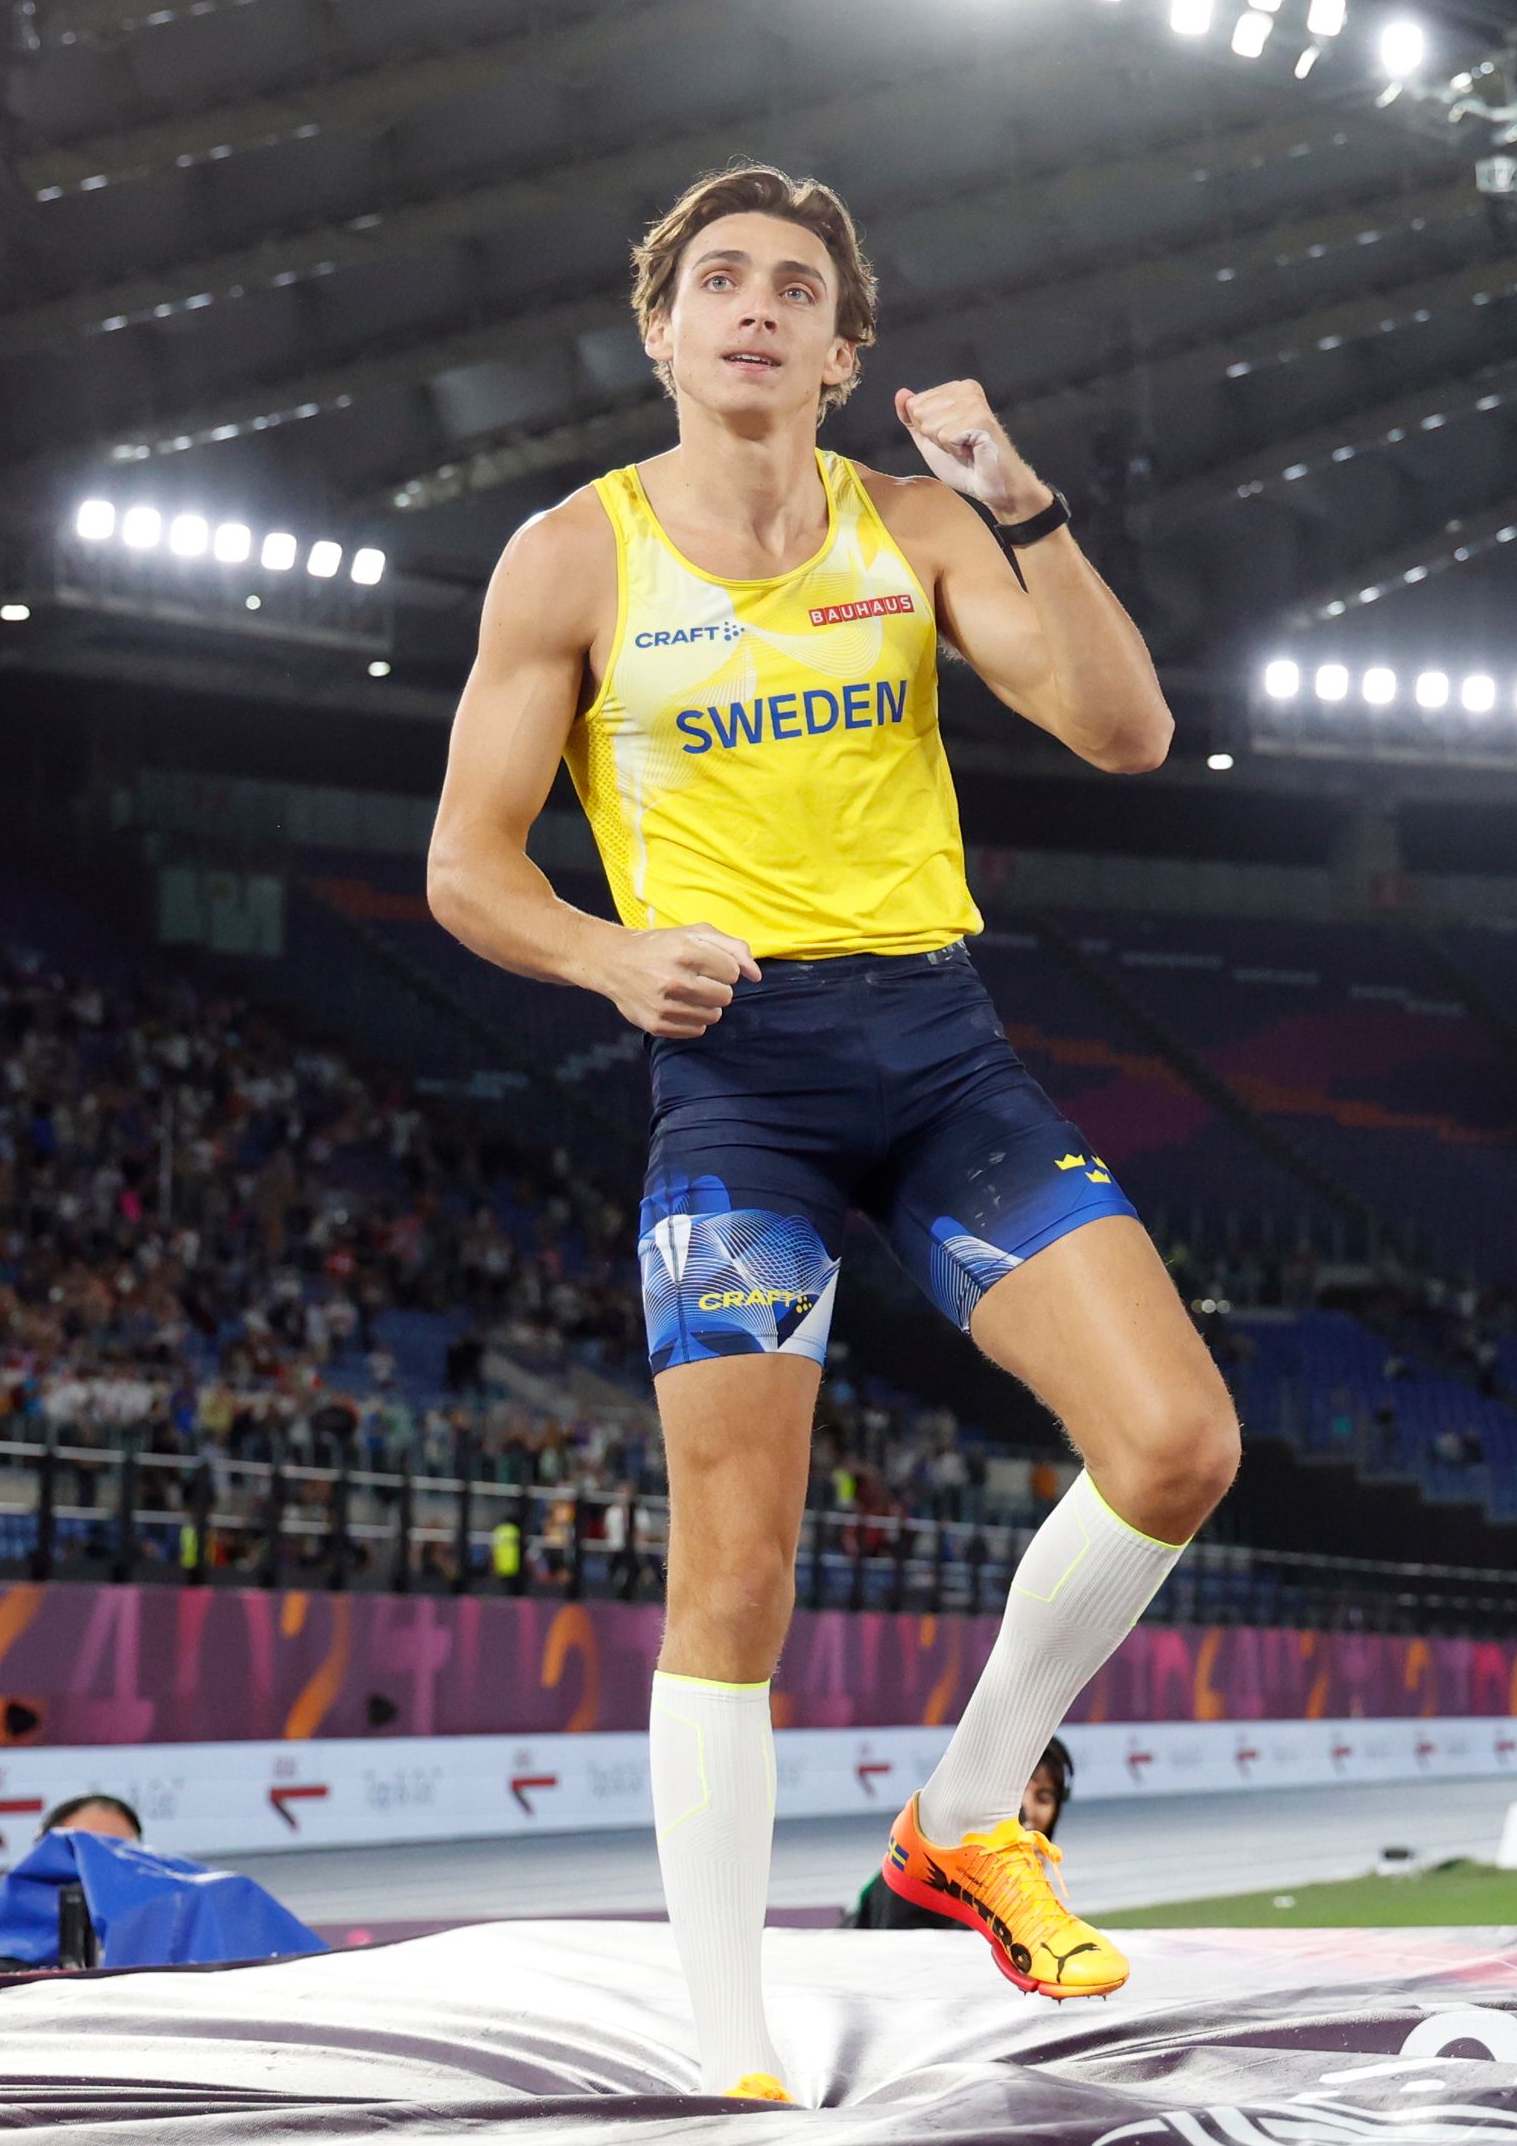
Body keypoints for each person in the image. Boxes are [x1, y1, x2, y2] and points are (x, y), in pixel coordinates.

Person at [431, 163, 1237, 2102]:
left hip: (940, 1055)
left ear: (846, 345)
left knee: (1177, 1437)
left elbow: (1129, 733)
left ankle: (965, 1810)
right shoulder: (572, 556)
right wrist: (610, 957)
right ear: (661, 327)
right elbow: (467, 867)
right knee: (737, 1566)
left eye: (798, 287)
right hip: (742, 1085)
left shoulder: (926, 522)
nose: (758, 309)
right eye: (720, 281)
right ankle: (734, 2054)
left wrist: (1021, 493)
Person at [846, 1744, 1071, 1930]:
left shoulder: (1025, 1873)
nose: (1026, 1807)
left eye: (1043, 1798)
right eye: (1016, 1788)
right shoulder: (927, 1850)